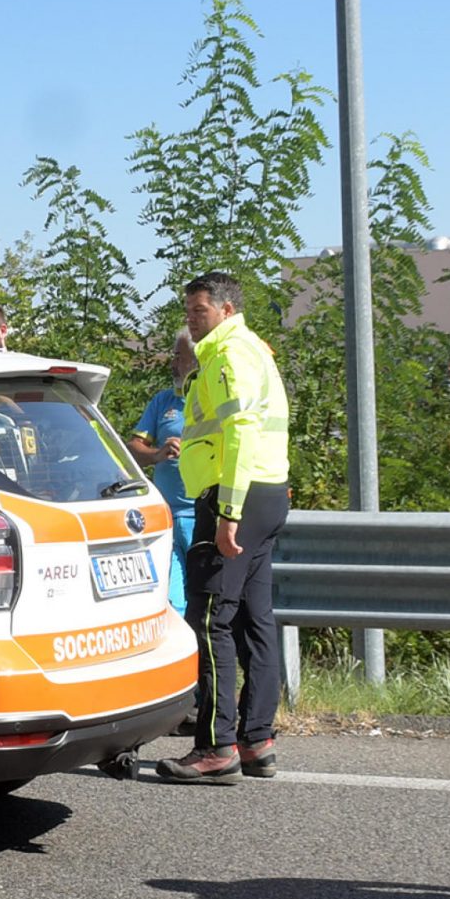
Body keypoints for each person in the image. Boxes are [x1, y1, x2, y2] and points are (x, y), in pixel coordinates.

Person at [158, 273, 289, 785]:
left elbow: (240, 434)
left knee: (211, 619)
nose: (191, 320)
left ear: (227, 310)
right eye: (188, 311)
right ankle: (257, 740)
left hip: (235, 496)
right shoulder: (253, 350)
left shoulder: (229, 356)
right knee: (256, 619)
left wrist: (230, 510)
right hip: (267, 491)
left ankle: (216, 747)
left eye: (200, 311)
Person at [126, 329, 199, 612]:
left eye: (179, 357)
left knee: (206, 600)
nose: (173, 364)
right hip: (166, 516)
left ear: (197, 360)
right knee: (172, 603)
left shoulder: (211, 401)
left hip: (202, 517)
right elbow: (133, 448)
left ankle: (206, 656)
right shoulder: (163, 401)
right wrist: (157, 454)